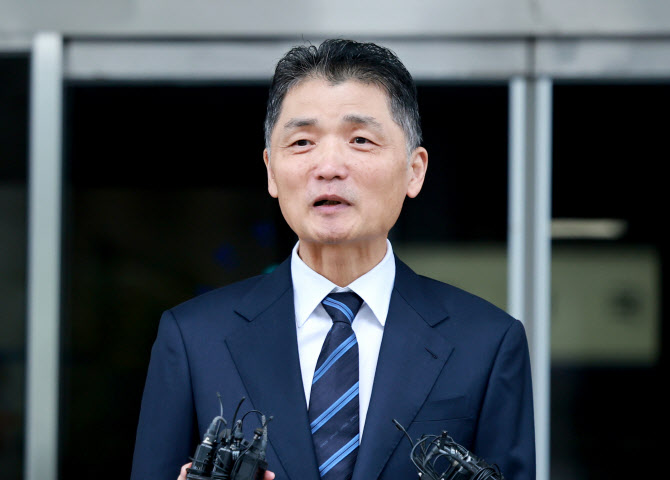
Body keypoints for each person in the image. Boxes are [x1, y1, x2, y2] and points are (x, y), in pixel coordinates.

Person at [130, 39, 535, 480]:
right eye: (302, 142)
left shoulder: (487, 343)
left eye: (360, 140)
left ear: (414, 170)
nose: (328, 167)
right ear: (271, 170)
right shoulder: (194, 339)